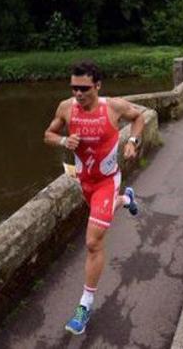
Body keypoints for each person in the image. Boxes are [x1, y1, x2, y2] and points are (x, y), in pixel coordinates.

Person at [43, 60, 144, 335]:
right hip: (84, 182)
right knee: (106, 215)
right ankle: (127, 200)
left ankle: (84, 306)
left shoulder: (114, 107)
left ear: (97, 85)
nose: (78, 94)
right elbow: (48, 134)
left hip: (106, 182)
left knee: (92, 242)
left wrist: (133, 143)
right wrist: (64, 141)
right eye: (74, 88)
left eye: (84, 88)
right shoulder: (66, 108)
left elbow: (139, 118)